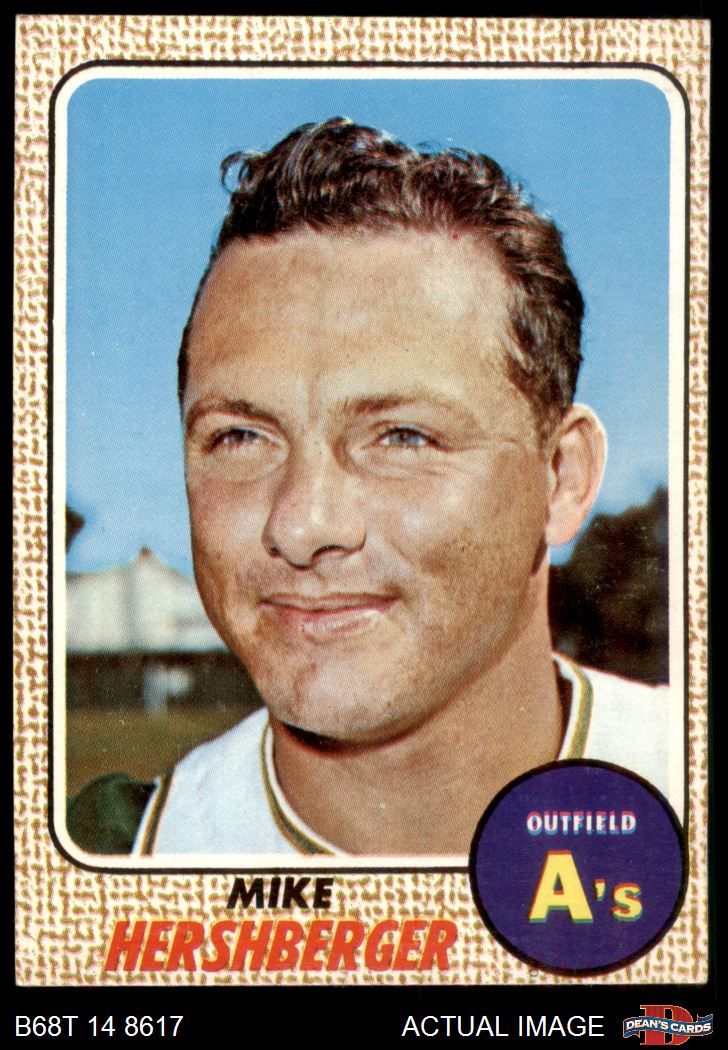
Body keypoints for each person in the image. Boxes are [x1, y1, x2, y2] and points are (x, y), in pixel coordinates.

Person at [68, 117, 681, 858]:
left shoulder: (678, 787)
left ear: (562, 479)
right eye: (241, 437)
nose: (301, 525)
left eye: (402, 437)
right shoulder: (105, 858)